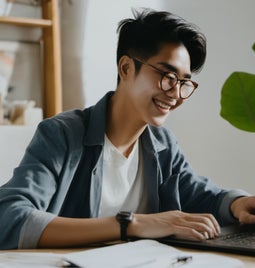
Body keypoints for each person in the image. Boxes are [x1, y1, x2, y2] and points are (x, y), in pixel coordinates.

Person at [0, 8, 255, 250]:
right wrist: (132, 224)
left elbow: (197, 191)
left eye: (184, 82)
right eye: (167, 76)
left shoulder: (162, 143)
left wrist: (238, 203)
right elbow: (9, 217)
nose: (176, 94)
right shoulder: (62, 135)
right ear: (126, 68)